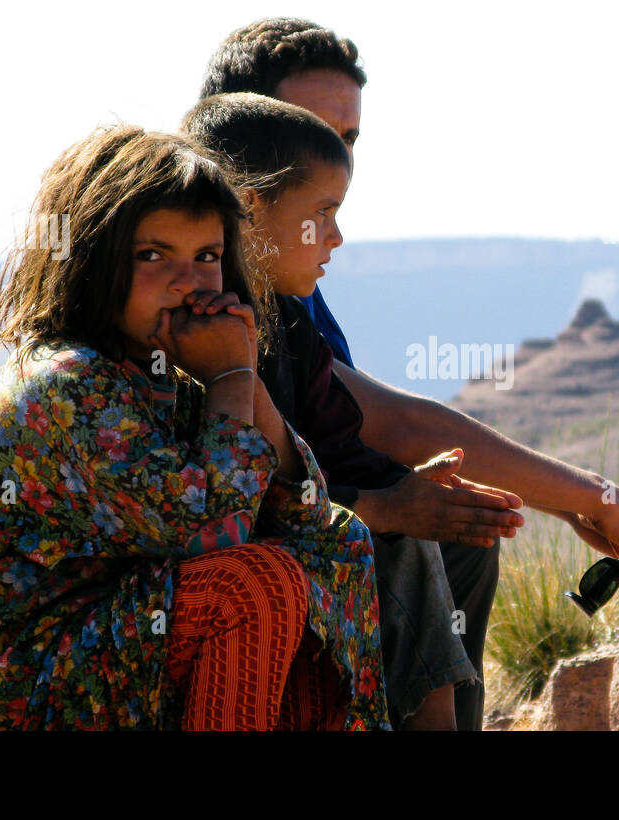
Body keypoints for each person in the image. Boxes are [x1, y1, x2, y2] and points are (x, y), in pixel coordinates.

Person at [200, 19, 619, 730]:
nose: (336, 157)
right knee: (412, 537)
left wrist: (562, 500)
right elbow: (394, 427)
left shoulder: (290, 293)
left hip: (310, 512)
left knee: (459, 527)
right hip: (244, 546)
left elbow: (358, 431)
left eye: (349, 139)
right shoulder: (216, 292)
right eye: (308, 130)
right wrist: (595, 498)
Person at [0, 124, 389, 731]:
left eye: (208, 258)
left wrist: (245, 378)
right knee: (252, 585)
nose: (188, 283)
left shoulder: (172, 375)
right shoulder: (65, 383)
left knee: (341, 547)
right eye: (152, 256)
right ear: (93, 264)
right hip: (22, 692)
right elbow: (211, 537)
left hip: (119, 657)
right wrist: (228, 379)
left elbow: (308, 516)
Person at [181, 92, 523, 729]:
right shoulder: (208, 327)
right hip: (234, 549)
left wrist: (412, 492)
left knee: (447, 532)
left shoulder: (286, 322)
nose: (336, 237)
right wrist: (390, 507)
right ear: (251, 208)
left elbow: (333, 444)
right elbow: (246, 491)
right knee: (399, 543)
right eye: (322, 214)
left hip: (298, 515)